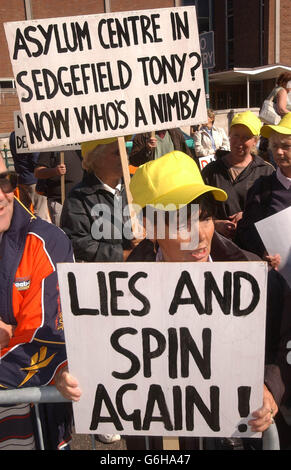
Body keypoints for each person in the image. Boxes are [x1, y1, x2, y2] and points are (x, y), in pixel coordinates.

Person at [55, 151, 291, 450]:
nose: (200, 236)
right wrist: (71, 375)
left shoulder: (252, 275)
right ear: (150, 228)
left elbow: (284, 343)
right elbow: (96, 352)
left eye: (204, 219)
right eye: (182, 224)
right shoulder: (114, 292)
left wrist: (271, 386)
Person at [0, 155, 74, 449]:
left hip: (33, 417)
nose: (1, 195)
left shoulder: (45, 241)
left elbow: (45, 341)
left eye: (4, 180)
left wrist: (12, 334)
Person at [60, 138, 135, 264]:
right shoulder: (79, 197)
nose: (124, 157)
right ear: (95, 158)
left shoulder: (139, 186)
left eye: (126, 150)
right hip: (105, 278)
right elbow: (77, 241)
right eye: (117, 152)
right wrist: (122, 255)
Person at [202, 110, 274, 239]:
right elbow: (198, 212)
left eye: (246, 137)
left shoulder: (266, 172)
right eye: (235, 135)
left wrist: (248, 215)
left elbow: (274, 212)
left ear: (255, 141)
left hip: (254, 249)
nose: (239, 142)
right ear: (229, 135)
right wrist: (215, 224)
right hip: (220, 248)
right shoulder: (211, 171)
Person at [235, 112, 291, 264]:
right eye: (275, 146)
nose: (279, 152)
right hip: (279, 278)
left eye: (286, 146)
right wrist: (263, 251)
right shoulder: (262, 188)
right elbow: (246, 231)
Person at [34, 149, 84, 226]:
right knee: (63, 235)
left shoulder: (79, 146)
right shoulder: (52, 146)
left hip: (80, 202)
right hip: (60, 203)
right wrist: (55, 171)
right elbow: (38, 172)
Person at [9, 131, 50, 221]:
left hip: (21, 178)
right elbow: (36, 160)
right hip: (34, 179)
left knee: (25, 212)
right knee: (40, 211)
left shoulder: (13, 135)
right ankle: (40, 232)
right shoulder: (31, 133)